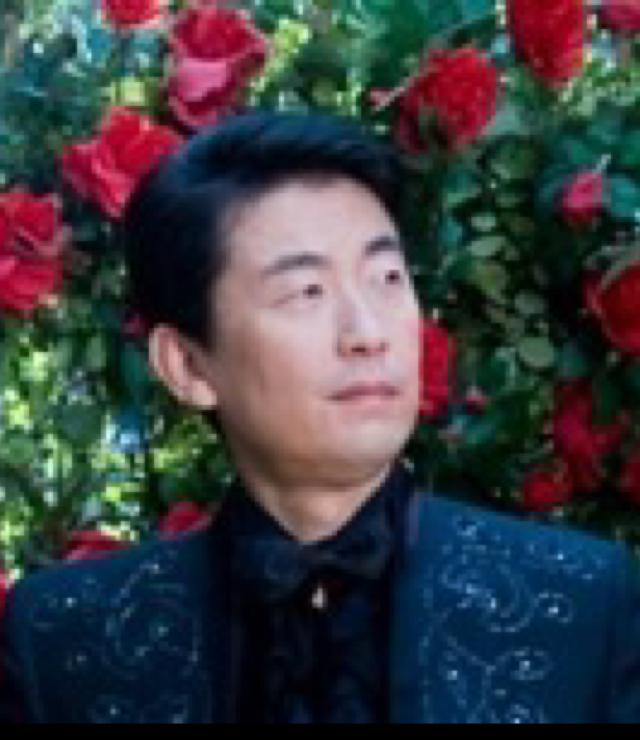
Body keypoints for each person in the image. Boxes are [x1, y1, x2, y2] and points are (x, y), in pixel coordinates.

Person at [2, 110, 640, 724]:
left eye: (387, 277)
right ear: (188, 365)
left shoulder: (583, 603)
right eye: (306, 292)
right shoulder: (64, 640)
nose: (368, 333)